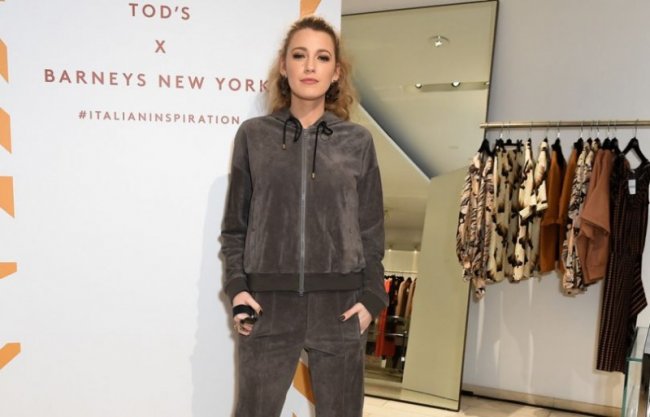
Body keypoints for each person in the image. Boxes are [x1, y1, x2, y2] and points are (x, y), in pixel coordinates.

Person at [220, 15, 387, 417]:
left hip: (340, 308)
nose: (310, 66)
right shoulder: (254, 136)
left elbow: (371, 230)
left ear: (336, 72)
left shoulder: (357, 142)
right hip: (268, 307)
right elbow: (236, 226)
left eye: (322, 57)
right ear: (284, 66)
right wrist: (238, 289)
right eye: (299, 55)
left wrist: (371, 298)